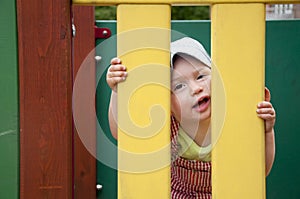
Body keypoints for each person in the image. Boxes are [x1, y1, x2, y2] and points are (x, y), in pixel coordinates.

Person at [106, 37, 276, 198]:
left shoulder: (233, 119)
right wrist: (117, 91)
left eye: (201, 77)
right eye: (179, 86)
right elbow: (120, 133)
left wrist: (267, 132)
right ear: (169, 105)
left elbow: (260, 171)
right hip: (175, 194)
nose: (195, 88)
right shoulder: (167, 125)